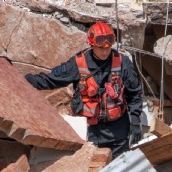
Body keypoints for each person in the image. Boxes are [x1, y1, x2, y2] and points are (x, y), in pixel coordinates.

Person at [25, 21, 143, 158]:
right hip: (90, 131)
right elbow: (51, 79)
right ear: (91, 44)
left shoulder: (122, 63)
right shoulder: (78, 63)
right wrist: (22, 79)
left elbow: (134, 93)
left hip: (118, 131)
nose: (105, 51)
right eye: (101, 48)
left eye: (108, 48)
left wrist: (135, 122)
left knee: (118, 171)